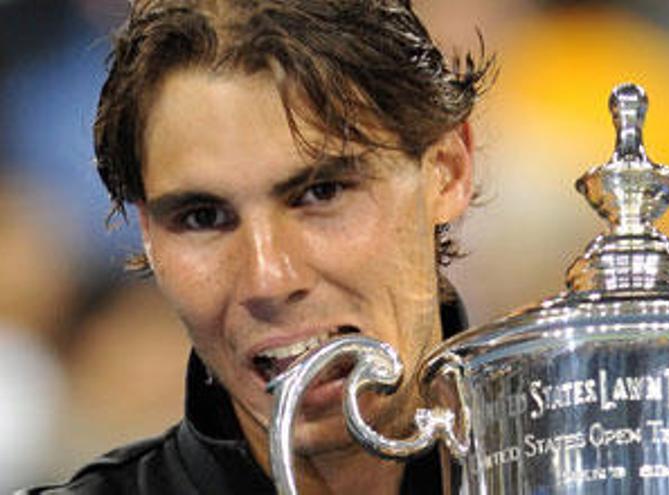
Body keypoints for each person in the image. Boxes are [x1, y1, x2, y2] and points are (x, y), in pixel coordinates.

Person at [23, 0, 492, 493]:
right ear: (148, 234)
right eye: (203, 217)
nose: (268, 279)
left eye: (321, 193)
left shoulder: (579, 464)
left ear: (447, 169)